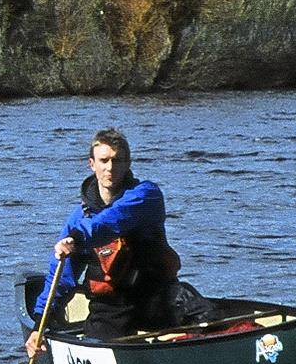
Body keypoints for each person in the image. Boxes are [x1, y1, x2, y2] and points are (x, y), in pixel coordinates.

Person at [40, 127, 195, 334]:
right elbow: (62, 275)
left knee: (197, 309)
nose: (110, 168)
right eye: (104, 161)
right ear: (92, 164)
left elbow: (109, 223)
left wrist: (76, 238)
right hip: (111, 308)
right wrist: (40, 321)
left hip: (157, 298)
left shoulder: (146, 195)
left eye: (118, 160)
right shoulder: (79, 218)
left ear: (128, 164)